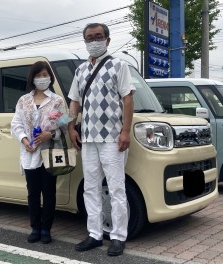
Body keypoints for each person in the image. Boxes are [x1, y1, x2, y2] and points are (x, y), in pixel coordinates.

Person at [67, 23, 136, 256]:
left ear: (107, 39)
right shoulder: (80, 70)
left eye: (98, 37)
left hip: (112, 138)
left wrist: (125, 131)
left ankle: (118, 236)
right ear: (84, 41)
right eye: (89, 37)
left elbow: (127, 99)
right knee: (91, 187)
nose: (94, 41)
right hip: (87, 138)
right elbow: (74, 102)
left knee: (116, 188)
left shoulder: (119, 65)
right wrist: (71, 128)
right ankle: (94, 234)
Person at [11, 61, 67, 244]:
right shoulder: (24, 100)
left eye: (45, 75)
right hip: (29, 152)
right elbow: (16, 124)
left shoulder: (57, 101)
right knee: (32, 193)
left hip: (49, 153)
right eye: (38, 75)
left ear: (50, 77)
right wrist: (24, 139)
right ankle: (35, 227)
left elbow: (65, 125)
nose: (42, 78)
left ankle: (46, 229)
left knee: (49, 192)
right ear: (32, 78)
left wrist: (49, 134)